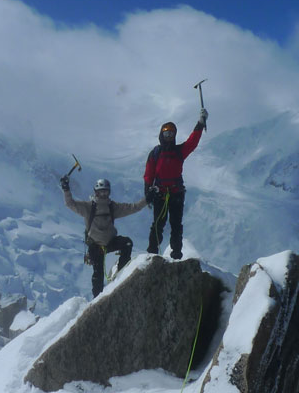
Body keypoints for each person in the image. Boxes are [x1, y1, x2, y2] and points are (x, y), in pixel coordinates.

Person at [60, 175, 147, 297]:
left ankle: (121, 275)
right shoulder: (88, 207)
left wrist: (147, 199)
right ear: (96, 192)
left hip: (109, 242)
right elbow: (70, 203)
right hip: (95, 246)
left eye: (105, 192)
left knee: (127, 243)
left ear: (109, 192)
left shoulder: (112, 207)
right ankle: (97, 300)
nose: (103, 195)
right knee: (98, 275)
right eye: (101, 192)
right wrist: (66, 189)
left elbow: (133, 207)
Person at [144, 109, 208, 259]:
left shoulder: (178, 151)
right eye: (166, 133)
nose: (168, 136)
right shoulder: (156, 153)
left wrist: (200, 123)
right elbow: (148, 174)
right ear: (161, 135)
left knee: (176, 226)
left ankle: (176, 253)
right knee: (158, 225)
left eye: (171, 134)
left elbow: (192, 143)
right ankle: (152, 253)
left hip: (175, 194)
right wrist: (148, 193)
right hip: (161, 194)